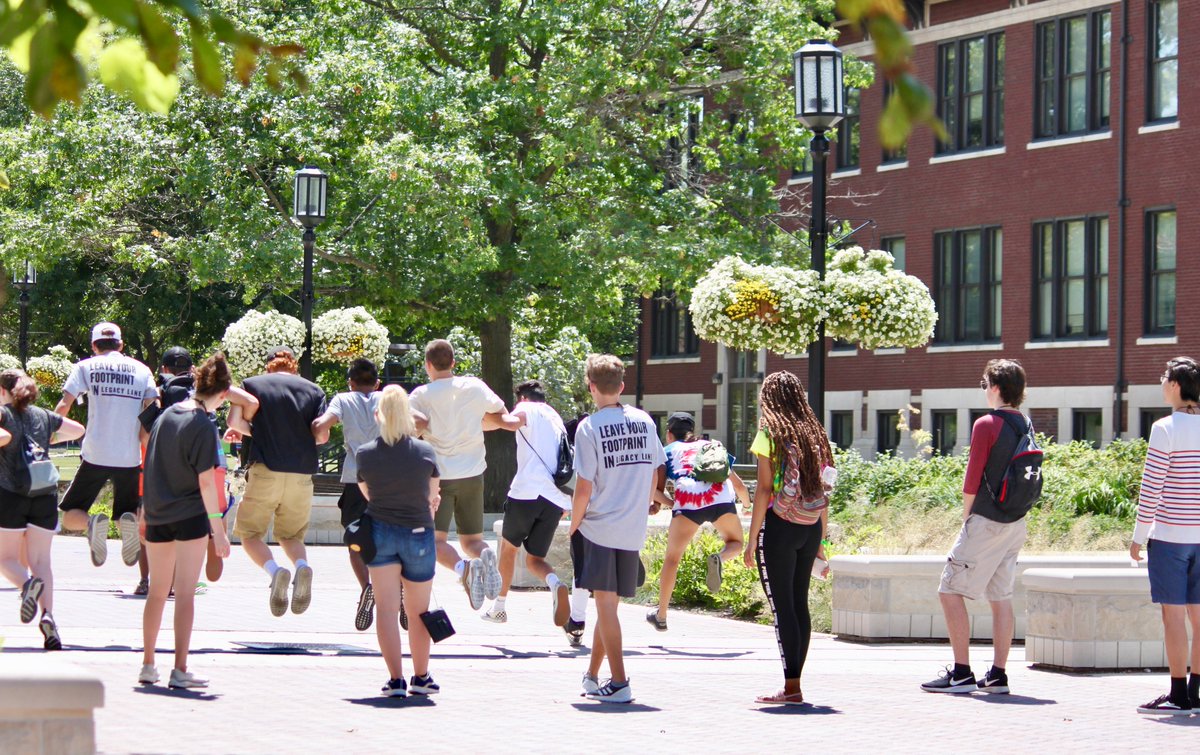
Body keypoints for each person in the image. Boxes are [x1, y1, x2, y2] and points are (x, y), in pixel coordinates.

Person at [921, 359, 1032, 695]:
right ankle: (998, 675)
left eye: (985, 384)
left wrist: (967, 518)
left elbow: (972, 478)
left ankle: (961, 673)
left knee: (949, 590)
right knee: (1001, 596)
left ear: (995, 387)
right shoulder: (1025, 424)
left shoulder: (987, 423)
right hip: (1016, 522)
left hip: (986, 521)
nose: (984, 390)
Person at [571, 354, 665, 703]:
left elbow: (583, 487)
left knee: (605, 605)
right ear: (622, 386)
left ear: (591, 387)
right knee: (606, 604)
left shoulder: (589, 427)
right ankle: (593, 675)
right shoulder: (644, 421)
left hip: (598, 526)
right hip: (631, 527)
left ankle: (621, 681)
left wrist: (573, 523)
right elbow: (657, 468)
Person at [138, 353, 234, 688]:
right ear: (222, 395)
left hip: (159, 513)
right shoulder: (204, 425)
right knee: (186, 595)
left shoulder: (165, 417)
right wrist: (218, 531)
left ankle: (148, 664)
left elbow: (149, 460)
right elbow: (206, 481)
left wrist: (146, 509)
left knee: (157, 593)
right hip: (190, 515)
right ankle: (180, 669)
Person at [745, 371, 833, 706]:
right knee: (799, 604)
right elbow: (825, 490)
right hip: (809, 526)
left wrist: (752, 539)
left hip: (779, 526)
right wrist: (822, 541)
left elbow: (764, 489)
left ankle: (791, 687)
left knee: (782, 608)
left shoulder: (769, 434)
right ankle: (794, 683)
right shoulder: (816, 434)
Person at [54, 322, 158, 592]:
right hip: (129, 456)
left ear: (94, 345)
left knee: (69, 516)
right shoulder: (142, 370)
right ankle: (141, 570)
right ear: (121, 345)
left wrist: (49, 434)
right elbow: (152, 410)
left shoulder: (85, 367)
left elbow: (65, 403)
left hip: (95, 453)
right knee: (131, 514)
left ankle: (91, 524)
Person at [408, 339, 509, 610]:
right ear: (453, 362)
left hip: (437, 478)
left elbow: (410, 429)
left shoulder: (420, 395)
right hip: (473, 473)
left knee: (435, 541)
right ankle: (485, 555)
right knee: (473, 540)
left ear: (428, 365)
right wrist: (477, 423)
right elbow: (501, 414)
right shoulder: (474, 386)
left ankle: (464, 569)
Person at [355, 385, 441, 698]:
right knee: (419, 612)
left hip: (380, 532)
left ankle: (395, 680)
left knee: (387, 611)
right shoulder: (425, 452)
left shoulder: (365, 454)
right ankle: (421, 676)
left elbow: (367, 494)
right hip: (418, 532)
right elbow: (433, 497)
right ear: (408, 416)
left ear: (378, 416)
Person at [227, 346, 326, 617]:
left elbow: (234, 421)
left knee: (250, 534)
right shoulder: (314, 390)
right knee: (292, 535)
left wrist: (256, 434)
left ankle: (276, 572)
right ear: (293, 364)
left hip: (265, 470)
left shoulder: (251, 386)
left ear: (269, 364)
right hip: (301, 475)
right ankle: (302, 567)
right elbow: (321, 436)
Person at [1131, 357, 1200, 715]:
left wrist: (1138, 536)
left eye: (1163, 379)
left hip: (1171, 538)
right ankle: (1197, 694)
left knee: (1173, 617)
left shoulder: (1165, 428)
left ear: (1175, 385)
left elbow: (1152, 486)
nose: (1161, 385)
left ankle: (1177, 695)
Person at [0, 370, 85, 650]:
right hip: (45, 493)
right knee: (42, 562)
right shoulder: (43, 415)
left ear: (4, 392)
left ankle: (27, 587)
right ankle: (49, 619)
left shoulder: (3, 413)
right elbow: (77, 430)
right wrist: (49, 440)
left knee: (5, 559)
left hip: (10, 493)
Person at [482, 379, 572, 629]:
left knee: (509, 550)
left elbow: (510, 423)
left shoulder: (526, 409)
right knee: (535, 560)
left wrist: (480, 421)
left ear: (522, 398)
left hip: (526, 493)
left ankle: (498, 607)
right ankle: (555, 583)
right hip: (554, 499)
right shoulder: (556, 418)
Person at [647, 411, 749, 631]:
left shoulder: (665, 452)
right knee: (737, 544)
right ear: (691, 431)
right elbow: (739, 486)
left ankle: (662, 615)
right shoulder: (710, 446)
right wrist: (747, 506)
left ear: (669, 434)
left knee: (672, 559)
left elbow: (653, 490)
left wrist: (669, 503)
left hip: (688, 501)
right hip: (720, 498)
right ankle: (720, 558)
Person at [312, 358, 384, 631]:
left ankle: (367, 586)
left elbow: (322, 424)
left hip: (355, 477)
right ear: (378, 383)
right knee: (389, 535)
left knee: (355, 539)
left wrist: (317, 433)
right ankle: (395, 586)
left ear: (350, 382)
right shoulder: (387, 397)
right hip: (387, 478)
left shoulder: (343, 399)